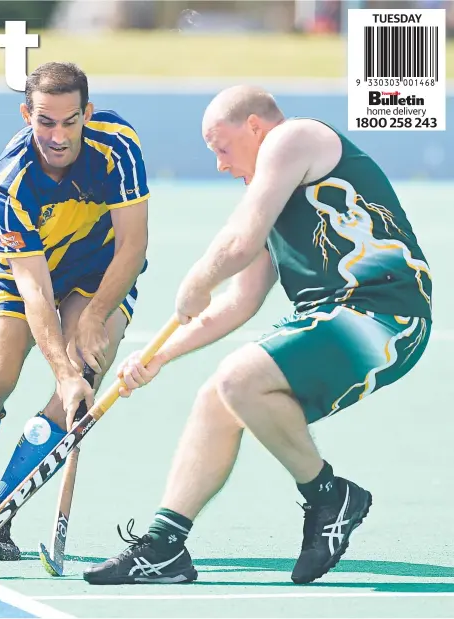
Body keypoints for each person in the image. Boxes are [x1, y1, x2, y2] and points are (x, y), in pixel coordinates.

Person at [83, 85, 432, 585]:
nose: (221, 165)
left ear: (254, 126)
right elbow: (240, 302)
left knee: (238, 379)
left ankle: (329, 496)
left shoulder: (294, 139)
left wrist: (197, 277)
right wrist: (161, 356)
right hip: (332, 318)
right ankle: (164, 545)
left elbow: (239, 242)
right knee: (218, 397)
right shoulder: (269, 190)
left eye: (221, 147)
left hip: (385, 313)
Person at [0, 62, 149, 561]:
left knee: (85, 379)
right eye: (45, 121)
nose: (58, 136)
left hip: (96, 271)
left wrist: (95, 318)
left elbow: (133, 245)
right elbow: (34, 289)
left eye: (70, 121)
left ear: (88, 113)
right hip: (22, 273)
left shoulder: (118, 146)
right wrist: (60, 370)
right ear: (26, 114)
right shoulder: (11, 183)